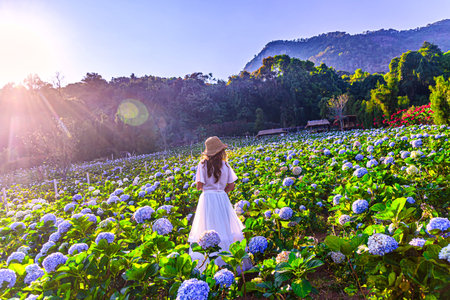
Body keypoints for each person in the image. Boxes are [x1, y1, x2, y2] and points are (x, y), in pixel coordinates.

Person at [188, 136, 245, 268]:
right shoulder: (225, 165)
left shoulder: (202, 165)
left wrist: (208, 188)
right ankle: (228, 262)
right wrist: (220, 191)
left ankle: (209, 265)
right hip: (221, 197)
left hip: (207, 199)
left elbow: (199, 185)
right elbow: (231, 185)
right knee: (225, 227)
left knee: (207, 226)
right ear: (221, 151)